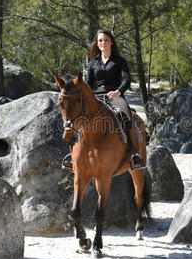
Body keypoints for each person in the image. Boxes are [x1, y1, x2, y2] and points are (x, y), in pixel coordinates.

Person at [62, 29, 145, 172]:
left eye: (106, 40)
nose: (103, 43)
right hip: (96, 97)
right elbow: (87, 84)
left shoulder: (120, 61)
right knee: (75, 118)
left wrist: (118, 91)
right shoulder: (93, 63)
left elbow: (126, 79)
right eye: (100, 40)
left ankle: (135, 155)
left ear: (111, 42)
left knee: (126, 116)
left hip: (116, 96)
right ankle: (72, 155)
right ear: (97, 43)